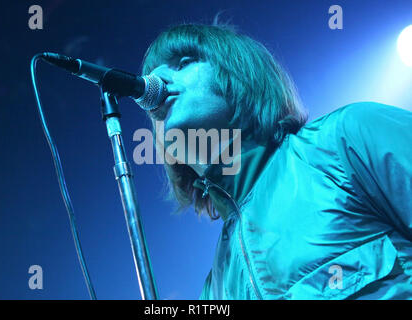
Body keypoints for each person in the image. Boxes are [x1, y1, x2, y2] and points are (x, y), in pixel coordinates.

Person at [140, 23, 412, 299]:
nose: (157, 78)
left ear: (238, 74)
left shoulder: (346, 140)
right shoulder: (216, 290)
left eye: (183, 63)